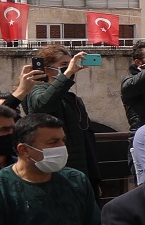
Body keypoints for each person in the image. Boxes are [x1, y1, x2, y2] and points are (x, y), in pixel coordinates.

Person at [19, 46, 99, 189]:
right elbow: (42, 106)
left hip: (80, 170)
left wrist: (94, 177)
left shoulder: (71, 98)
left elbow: (86, 138)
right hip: (57, 167)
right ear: (48, 69)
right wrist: (67, 74)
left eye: (70, 64)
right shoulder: (36, 90)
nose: (70, 68)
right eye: (63, 65)